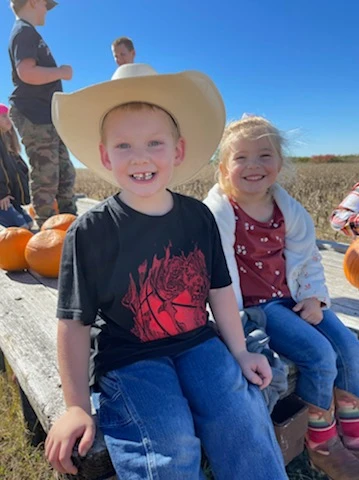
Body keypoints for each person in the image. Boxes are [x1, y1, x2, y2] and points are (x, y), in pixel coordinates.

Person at [44, 64, 287, 480]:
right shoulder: (91, 231)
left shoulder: (197, 217)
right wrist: (77, 407)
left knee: (241, 415)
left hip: (200, 343)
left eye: (155, 142)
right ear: (105, 156)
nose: (140, 156)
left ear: (178, 151)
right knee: (168, 442)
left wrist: (241, 350)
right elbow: (74, 323)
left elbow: (220, 290)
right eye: (123, 146)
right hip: (131, 357)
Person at [204, 115, 359, 480]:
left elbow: (307, 259)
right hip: (257, 308)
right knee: (320, 356)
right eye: (241, 157)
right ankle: (322, 443)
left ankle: (352, 433)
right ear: (225, 168)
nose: (254, 165)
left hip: (294, 296)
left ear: (280, 163)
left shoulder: (289, 210)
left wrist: (315, 298)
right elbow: (218, 274)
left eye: (264, 155)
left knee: (349, 347)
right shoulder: (221, 213)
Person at [8, 0, 77, 228]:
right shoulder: (24, 32)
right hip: (33, 114)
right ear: (34, 2)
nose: (47, 10)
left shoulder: (29, 33)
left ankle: (71, 223)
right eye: (46, 5)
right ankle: (47, 230)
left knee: (65, 171)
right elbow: (26, 72)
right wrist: (61, 72)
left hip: (47, 117)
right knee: (46, 175)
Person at [0, 103, 33, 229]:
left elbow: (20, 174)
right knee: (22, 229)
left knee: (29, 224)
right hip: (1, 197)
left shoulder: (10, 147)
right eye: (3, 116)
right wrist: (2, 194)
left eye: (9, 116)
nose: (9, 120)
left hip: (10, 199)